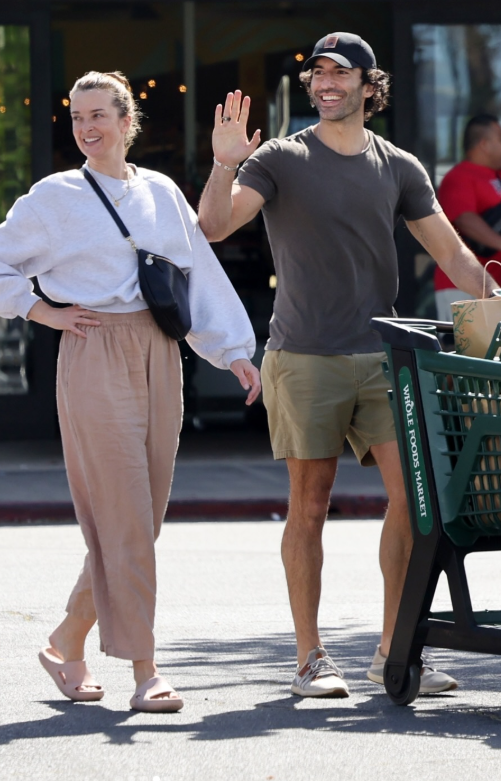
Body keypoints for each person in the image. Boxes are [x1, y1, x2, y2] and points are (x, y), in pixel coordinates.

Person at [198, 32, 498, 698]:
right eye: (316, 72)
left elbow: (452, 257)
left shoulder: (398, 166)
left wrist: (496, 303)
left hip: (381, 359)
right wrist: (223, 165)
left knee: (413, 503)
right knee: (307, 507)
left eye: (340, 72)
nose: (325, 82)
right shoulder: (279, 157)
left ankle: (393, 648)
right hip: (304, 356)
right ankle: (310, 657)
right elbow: (213, 227)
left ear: (369, 85)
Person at [0, 71, 261, 713]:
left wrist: (233, 351)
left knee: (140, 516)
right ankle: (145, 667)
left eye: (98, 115)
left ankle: (65, 641)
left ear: (126, 122)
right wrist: (41, 312)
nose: (86, 128)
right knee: (124, 516)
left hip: (161, 351)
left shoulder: (162, 191)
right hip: (93, 349)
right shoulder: (53, 197)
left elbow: (196, 272)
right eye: (76, 117)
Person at [435, 114, 501, 320]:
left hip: (493, 287)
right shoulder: (459, 176)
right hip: (462, 287)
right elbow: (465, 219)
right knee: (468, 350)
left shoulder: (496, 175)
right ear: (484, 144)